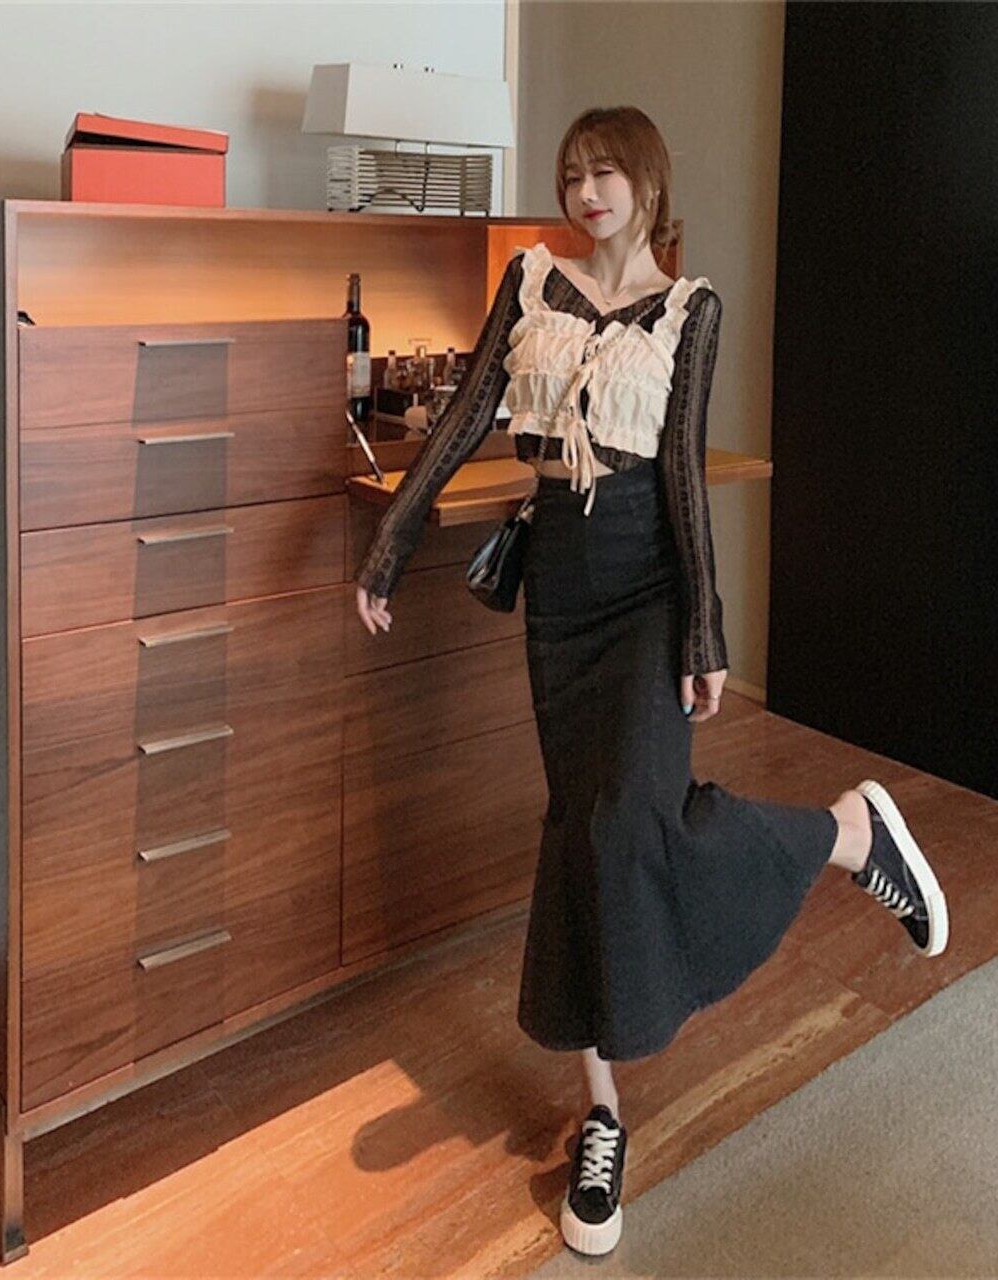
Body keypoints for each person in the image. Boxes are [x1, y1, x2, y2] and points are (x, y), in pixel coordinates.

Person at [352, 105, 950, 1258]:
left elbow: (679, 469)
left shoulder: (690, 308)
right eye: (572, 173)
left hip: (645, 596)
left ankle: (845, 832)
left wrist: (704, 631)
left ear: (646, 182)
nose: (586, 190)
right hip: (560, 597)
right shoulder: (531, 283)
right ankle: (602, 1115)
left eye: (606, 171)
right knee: (583, 836)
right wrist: (393, 540)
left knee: (632, 819)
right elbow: (469, 412)